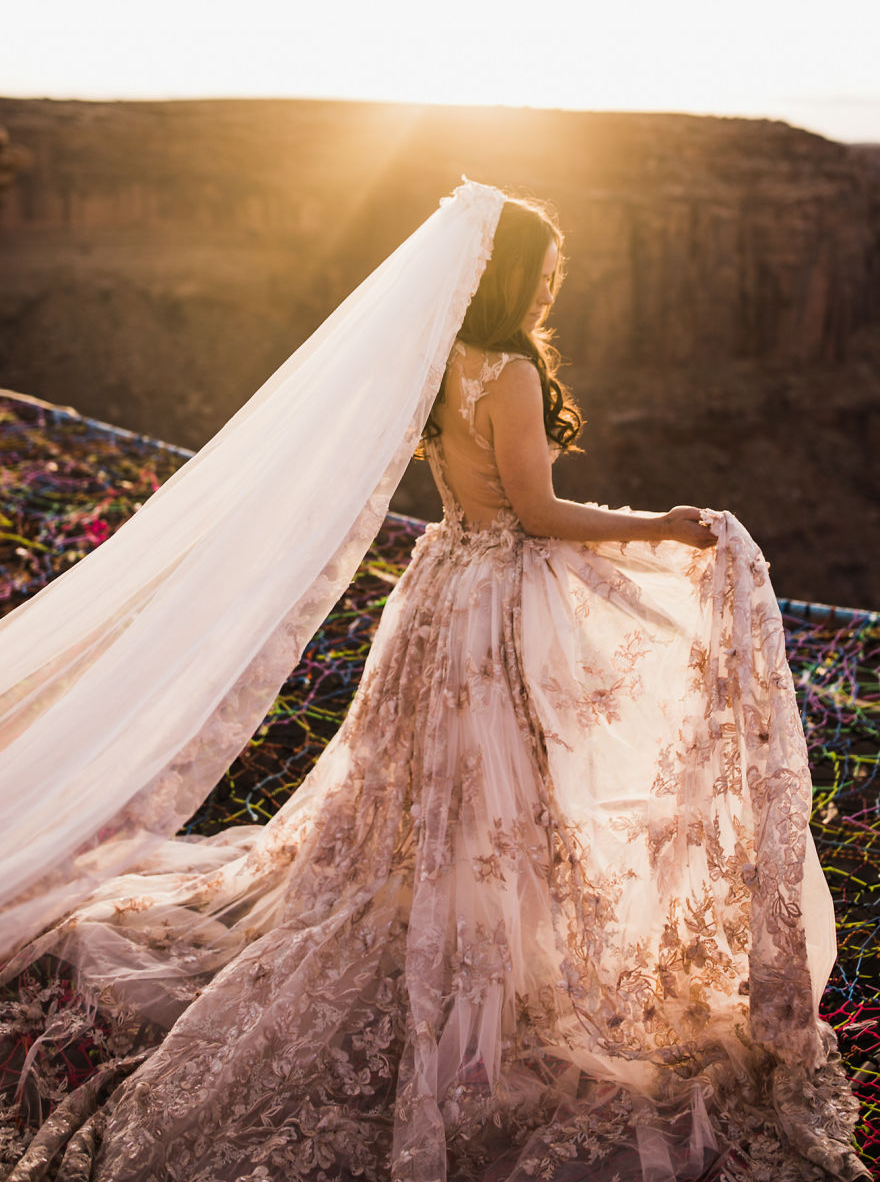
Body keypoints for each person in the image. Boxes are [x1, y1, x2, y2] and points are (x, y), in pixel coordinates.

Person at [0, 183, 867, 1181]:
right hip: (495, 601)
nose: (554, 280)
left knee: (431, 799)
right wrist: (661, 528)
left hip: (441, 591)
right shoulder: (506, 373)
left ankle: (464, 941)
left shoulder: (440, 360)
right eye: (545, 264)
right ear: (514, 272)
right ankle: (487, 973)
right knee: (506, 796)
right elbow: (537, 514)